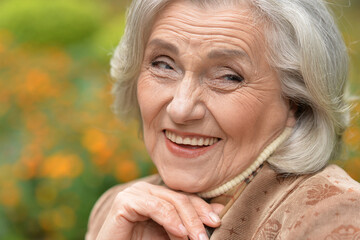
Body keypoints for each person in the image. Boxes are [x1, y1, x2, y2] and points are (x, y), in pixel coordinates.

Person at [86, 0, 360, 239]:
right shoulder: (117, 208)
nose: (181, 109)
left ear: (296, 102)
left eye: (228, 76)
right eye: (163, 64)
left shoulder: (335, 216)